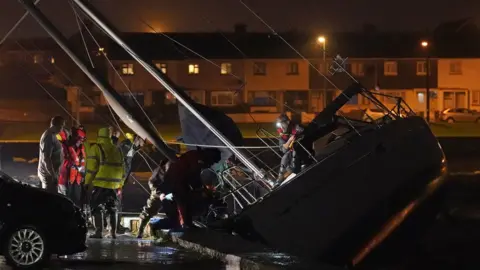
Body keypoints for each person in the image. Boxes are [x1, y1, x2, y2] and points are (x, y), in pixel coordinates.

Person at [137, 148, 222, 237]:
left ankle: (183, 224)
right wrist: (203, 190)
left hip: (170, 185)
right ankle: (147, 229)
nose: (211, 165)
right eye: (212, 162)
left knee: (162, 208)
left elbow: (191, 178)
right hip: (165, 185)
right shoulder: (197, 159)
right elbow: (194, 178)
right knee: (162, 210)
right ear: (209, 157)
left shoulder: (193, 157)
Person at [84, 127, 125, 239]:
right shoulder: (117, 149)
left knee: (96, 207)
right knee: (112, 208)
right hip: (114, 185)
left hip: (100, 183)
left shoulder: (96, 148)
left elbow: (91, 168)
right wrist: (120, 183)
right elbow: (123, 168)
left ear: (99, 135)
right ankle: (112, 233)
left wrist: (87, 183)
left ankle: (98, 232)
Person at [116, 133, 145, 234]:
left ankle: (115, 224)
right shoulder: (126, 146)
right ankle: (115, 226)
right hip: (118, 180)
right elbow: (121, 162)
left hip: (120, 180)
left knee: (118, 202)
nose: (143, 144)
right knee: (116, 203)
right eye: (142, 141)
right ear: (138, 138)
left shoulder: (131, 148)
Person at [38, 116, 66, 193]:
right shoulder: (49, 136)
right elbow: (46, 158)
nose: (62, 128)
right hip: (49, 175)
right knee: (50, 198)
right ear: (57, 125)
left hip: (52, 174)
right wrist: (53, 175)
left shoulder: (54, 135)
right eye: (62, 126)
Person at [275, 114, 303, 182]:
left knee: (294, 152)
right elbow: (283, 149)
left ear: (287, 122)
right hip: (290, 156)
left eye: (282, 124)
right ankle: (281, 175)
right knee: (286, 155)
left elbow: (304, 136)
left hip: (300, 153)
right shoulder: (282, 134)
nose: (281, 127)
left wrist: (297, 137)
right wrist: (290, 140)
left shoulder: (297, 128)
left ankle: (294, 170)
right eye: (279, 125)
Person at [65, 127, 87, 207]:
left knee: (77, 199)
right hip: (69, 177)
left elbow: (83, 161)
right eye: (81, 139)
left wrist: (82, 172)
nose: (81, 141)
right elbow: (70, 159)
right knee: (68, 198)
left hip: (78, 178)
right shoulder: (68, 146)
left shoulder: (81, 148)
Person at [57, 129, 71, 195]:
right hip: (62, 176)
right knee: (62, 192)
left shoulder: (60, 145)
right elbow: (63, 160)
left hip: (61, 175)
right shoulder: (62, 146)